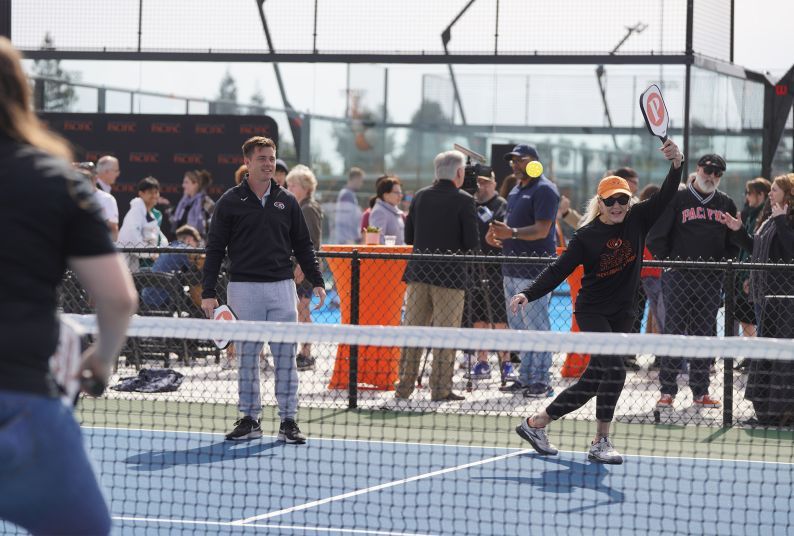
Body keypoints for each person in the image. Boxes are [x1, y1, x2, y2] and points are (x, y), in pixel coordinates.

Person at [0, 36, 138, 535]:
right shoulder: (58, 181)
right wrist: (100, 361)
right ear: (22, 97)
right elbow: (118, 297)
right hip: (23, 408)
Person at [511, 139, 683, 464]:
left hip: (623, 313)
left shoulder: (638, 219)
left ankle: (535, 424)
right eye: (611, 201)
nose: (618, 205)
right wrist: (528, 292)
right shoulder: (586, 235)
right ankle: (601, 440)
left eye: (622, 199)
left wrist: (677, 164)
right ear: (600, 203)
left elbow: (667, 193)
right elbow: (558, 269)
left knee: (593, 379)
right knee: (615, 372)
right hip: (592, 311)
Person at [201, 136, 326, 444]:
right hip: (243, 289)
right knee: (247, 357)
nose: (269, 163)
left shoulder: (288, 201)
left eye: (272, 158)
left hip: (283, 289)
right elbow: (215, 248)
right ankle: (249, 419)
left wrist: (317, 280)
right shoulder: (229, 201)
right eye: (262, 158)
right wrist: (208, 290)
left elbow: (303, 246)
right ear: (247, 162)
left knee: (285, 356)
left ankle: (289, 421)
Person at [647, 153, 739, 410]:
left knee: (703, 336)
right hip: (678, 277)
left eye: (717, 174)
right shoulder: (677, 198)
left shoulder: (726, 203)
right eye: (708, 171)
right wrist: (669, 262)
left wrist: (721, 266)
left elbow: (733, 244)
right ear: (698, 169)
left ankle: (701, 392)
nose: (711, 177)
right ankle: (667, 391)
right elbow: (656, 236)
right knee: (674, 333)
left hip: (710, 280)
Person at [394, 150, 480, 402]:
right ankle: (440, 389)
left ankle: (404, 386)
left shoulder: (420, 196)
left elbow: (409, 238)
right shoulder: (464, 200)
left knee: (413, 333)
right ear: (459, 172)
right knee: (445, 334)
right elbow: (471, 242)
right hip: (451, 277)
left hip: (419, 273)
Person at [487, 144, 559, 398]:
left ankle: (542, 380)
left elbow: (541, 229)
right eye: (513, 161)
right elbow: (513, 227)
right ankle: (527, 377)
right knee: (518, 326)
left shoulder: (545, 190)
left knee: (536, 326)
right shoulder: (517, 190)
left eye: (521, 160)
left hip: (534, 271)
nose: (515, 165)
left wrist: (513, 233)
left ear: (535, 162)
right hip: (511, 267)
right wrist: (498, 234)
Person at [723, 173, 794, 425]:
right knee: (766, 356)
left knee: (782, 360)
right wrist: (738, 230)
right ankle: (767, 412)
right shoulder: (772, 219)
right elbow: (757, 248)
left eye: (775, 189)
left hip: (787, 303)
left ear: (788, 194)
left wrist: (782, 222)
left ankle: (783, 413)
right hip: (767, 301)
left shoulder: (784, 220)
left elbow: (790, 252)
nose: (771, 193)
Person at [463, 170, 515, 381]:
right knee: (478, 319)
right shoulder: (467, 204)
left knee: (500, 320)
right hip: (473, 268)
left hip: (496, 269)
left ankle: (506, 363)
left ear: (495, 183)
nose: (482, 186)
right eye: (479, 182)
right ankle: (481, 361)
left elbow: (501, 234)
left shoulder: (502, 205)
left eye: (486, 182)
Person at [285, 164, 323, 371]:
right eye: (288, 184)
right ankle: (303, 352)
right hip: (300, 266)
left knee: (303, 309)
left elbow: (312, 241)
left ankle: (306, 353)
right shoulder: (299, 207)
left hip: (305, 268)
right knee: (300, 309)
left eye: (293, 185)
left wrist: (301, 265)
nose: (289, 188)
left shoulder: (308, 208)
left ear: (306, 187)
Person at [734, 177, 771, 345]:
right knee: (744, 317)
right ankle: (751, 355)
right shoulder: (749, 213)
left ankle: (754, 356)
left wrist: (749, 274)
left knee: (752, 320)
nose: (746, 197)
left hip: (753, 275)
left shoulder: (766, 215)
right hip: (743, 273)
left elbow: (757, 247)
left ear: (761, 195)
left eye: (750, 193)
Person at [140, 224, 202, 308]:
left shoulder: (168, 248)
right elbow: (196, 271)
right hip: (164, 299)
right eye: (196, 244)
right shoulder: (184, 249)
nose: (196, 247)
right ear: (189, 240)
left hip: (148, 297)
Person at [117, 176, 168, 272]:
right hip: (130, 267)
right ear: (141, 193)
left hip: (143, 267)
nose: (154, 196)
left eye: (156, 192)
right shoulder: (135, 212)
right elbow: (132, 240)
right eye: (150, 192)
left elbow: (160, 239)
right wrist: (151, 254)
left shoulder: (152, 215)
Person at [171, 169, 215, 240]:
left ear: (195, 184)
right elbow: (175, 222)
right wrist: (166, 206)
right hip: (181, 245)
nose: (183, 185)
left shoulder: (205, 201)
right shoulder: (183, 203)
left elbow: (216, 218)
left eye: (186, 182)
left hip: (199, 246)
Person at [369, 175, 405, 244]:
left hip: (399, 254)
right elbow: (378, 241)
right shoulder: (379, 212)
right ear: (385, 195)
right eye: (396, 192)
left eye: (400, 192)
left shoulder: (395, 211)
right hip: (389, 255)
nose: (400, 195)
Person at [334, 166, 365, 244]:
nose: (361, 183)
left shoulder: (348, 194)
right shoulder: (347, 195)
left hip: (346, 239)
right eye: (360, 180)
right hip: (347, 240)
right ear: (355, 179)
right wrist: (357, 237)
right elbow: (348, 221)